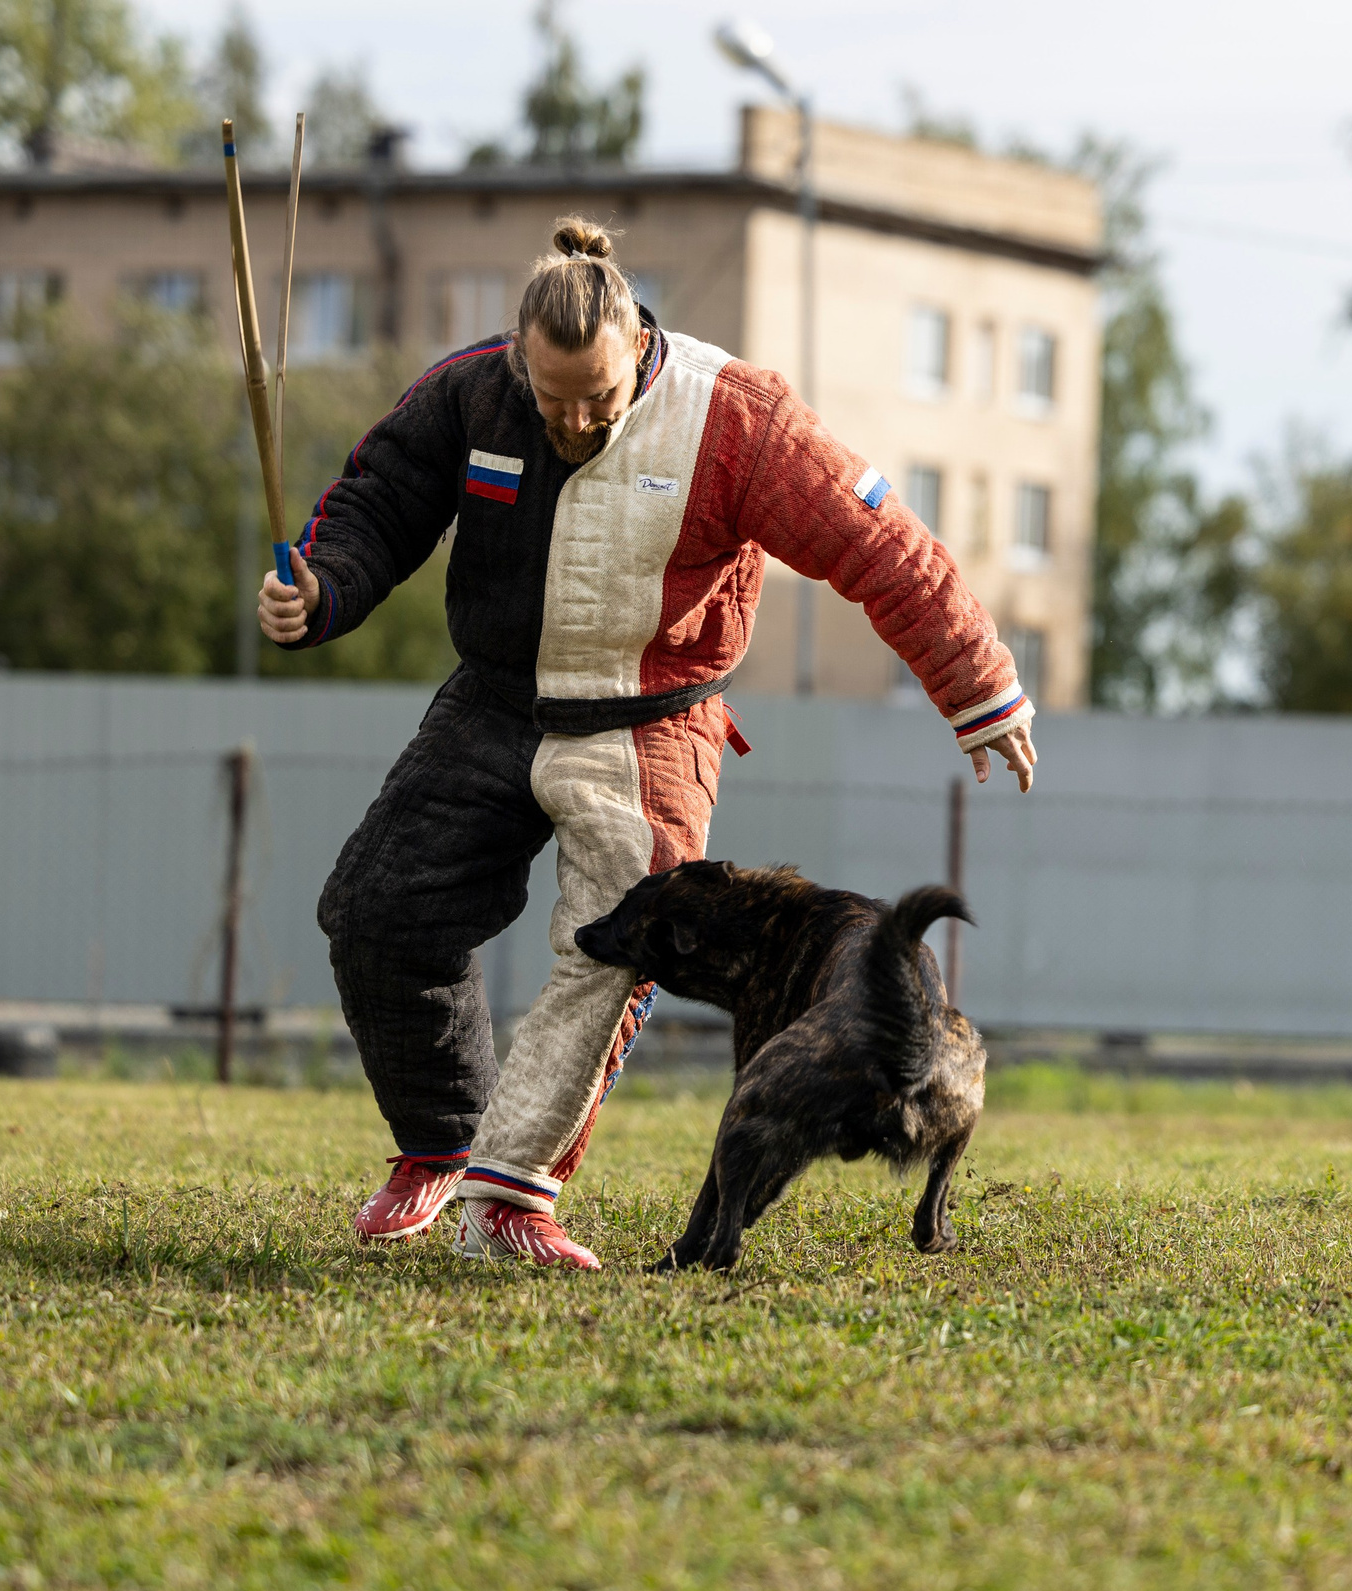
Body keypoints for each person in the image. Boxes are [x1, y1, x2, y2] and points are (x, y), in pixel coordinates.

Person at [259, 217, 1038, 1267]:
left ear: (639, 347)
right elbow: (378, 503)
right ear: (517, 358)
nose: (574, 421)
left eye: (598, 398)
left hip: (654, 722)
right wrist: (324, 585)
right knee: (373, 913)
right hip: (492, 702)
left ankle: (512, 1196)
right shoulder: (468, 392)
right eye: (551, 399)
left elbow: (878, 541)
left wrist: (977, 683)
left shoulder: (738, 419)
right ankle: (443, 1143)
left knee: (608, 949)